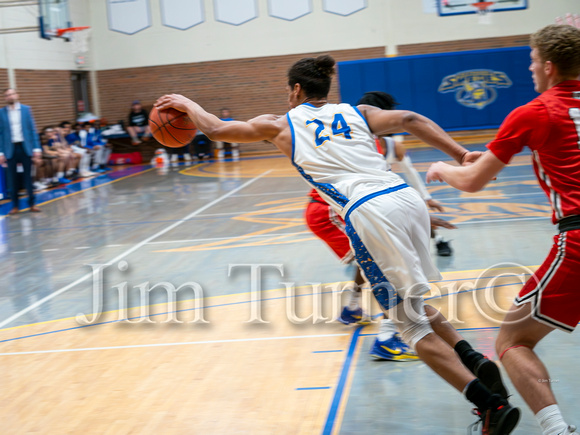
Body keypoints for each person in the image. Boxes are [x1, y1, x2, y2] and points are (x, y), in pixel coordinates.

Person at [155, 54, 520, 433]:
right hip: (408, 200)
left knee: (409, 328)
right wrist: (462, 155)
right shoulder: (359, 111)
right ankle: (475, 359)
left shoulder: (279, 125)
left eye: (287, 89)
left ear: (295, 89)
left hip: (369, 213)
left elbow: (214, 129)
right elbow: (411, 120)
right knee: (412, 304)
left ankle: (488, 404)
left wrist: (185, 103)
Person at [426, 24, 580, 435]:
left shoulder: (535, 112)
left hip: (579, 240)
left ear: (548, 66)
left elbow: (474, 181)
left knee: (512, 340)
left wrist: (443, 167)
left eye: (532, 61)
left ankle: (555, 430)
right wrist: (488, 159)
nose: (530, 69)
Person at [305, 91, 456, 362]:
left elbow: (405, 173)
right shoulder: (362, 141)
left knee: (371, 263)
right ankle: (387, 336)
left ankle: (353, 309)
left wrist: (426, 201)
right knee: (383, 267)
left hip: (342, 209)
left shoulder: (382, 143)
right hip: (331, 211)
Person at [0, 88, 42, 214]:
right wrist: (1, 153)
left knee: (28, 177)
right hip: (10, 149)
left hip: (25, 147)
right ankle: (15, 206)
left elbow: (32, 130)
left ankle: (32, 204)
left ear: (17, 95)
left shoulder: (26, 110)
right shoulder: (1, 112)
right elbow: (0, 134)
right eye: (7, 95)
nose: (10, 96)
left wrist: (37, 149)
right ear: (5, 98)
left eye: (12, 94)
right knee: (12, 179)